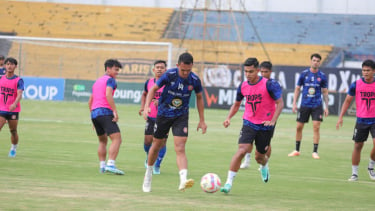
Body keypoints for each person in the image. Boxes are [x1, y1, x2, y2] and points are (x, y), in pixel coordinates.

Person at [142, 52, 207, 192]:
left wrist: (202, 120)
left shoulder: (194, 79)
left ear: (192, 67)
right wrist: (147, 106)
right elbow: (153, 89)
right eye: (182, 70)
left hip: (181, 115)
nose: (185, 73)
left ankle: (183, 180)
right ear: (177, 65)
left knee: (180, 147)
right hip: (164, 114)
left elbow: (200, 98)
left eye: (188, 70)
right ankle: (148, 173)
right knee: (157, 144)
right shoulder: (169, 75)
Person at [220, 58, 283, 194]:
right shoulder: (243, 86)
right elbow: (236, 104)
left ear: (258, 70)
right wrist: (228, 118)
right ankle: (228, 183)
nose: (248, 74)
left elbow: (280, 103)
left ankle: (264, 165)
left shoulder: (270, 84)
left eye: (251, 71)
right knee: (242, 150)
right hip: (249, 123)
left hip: (265, 125)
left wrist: (273, 120)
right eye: (246, 71)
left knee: (259, 157)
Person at [336, 59, 375, 181]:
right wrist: (340, 117)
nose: (365, 72)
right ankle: (354, 174)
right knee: (358, 146)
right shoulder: (356, 84)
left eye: (368, 70)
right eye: (363, 70)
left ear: (373, 71)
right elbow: (347, 101)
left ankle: (371, 167)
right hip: (361, 120)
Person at [288, 53, 329, 159]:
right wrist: (294, 103)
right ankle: (297, 150)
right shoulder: (304, 74)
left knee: (316, 127)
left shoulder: (322, 76)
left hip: (317, 105)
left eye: (317, 61)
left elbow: (325, 92)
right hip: (304, 104)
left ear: (320, 63)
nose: (315, 62)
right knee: (299, 127)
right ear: (311, 61)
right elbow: (297, 89)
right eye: (314, 60)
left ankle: (315, 151)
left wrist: (326, 107)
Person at [88, 59, 124, 175]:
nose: (117, 72)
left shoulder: (97, 81)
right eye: (116, 69)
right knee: (117, 138)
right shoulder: (111, 80)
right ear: (108, 69)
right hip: (105, 112)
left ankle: (102, 166)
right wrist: (114, 111)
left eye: (118, 70)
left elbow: (90, 101)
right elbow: (108, 94)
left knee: (102, 141)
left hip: (95, 114)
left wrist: (93, 118)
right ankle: (111, 164)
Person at [240, 61, 274, 169]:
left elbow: (278, 102)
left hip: (268, 119)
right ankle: (247, 160)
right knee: (248, 140)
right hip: (252, 119)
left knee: (266, 144)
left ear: (270, 72)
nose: (264, 74)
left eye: (266, 72)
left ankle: (264, 163)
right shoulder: (250, 83)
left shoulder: (272, 84)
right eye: (262, 72)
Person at [139, 60, 168, 175]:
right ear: (153, 70)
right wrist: (143, 107)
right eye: (157, 67)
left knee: (162, 142)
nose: (160, 69)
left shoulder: (169, 84)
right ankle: (149, 156)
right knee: (147, 140)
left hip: (165, 116)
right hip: (151, 116)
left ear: (165, 70)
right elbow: (145, 94)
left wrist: (161, 101)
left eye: (162, 67)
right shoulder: (149, 82)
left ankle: (157, 165)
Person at [0, 57, 24, 157]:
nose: (9, 66)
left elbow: (19, 94)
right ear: (5, 65)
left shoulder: (19, 80)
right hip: (1, 109)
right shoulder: (1, 78)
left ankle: (13, 148)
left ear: (15, 66)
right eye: (8, 64)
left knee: (13, 131)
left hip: (13, 110)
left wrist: (14, 103)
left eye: (12, 64)